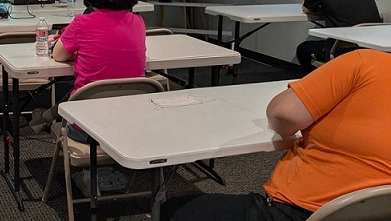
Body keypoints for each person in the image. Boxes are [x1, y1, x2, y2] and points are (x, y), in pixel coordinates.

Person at [161, 49, 391, 221]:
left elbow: (284, 115)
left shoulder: (365, 63)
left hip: (301, 211)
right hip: (381, 213)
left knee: (173, 210)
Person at [29, 0, 146, 141]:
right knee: (96, 86)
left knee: (85, 89)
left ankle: (48, 119)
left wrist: (81, 51)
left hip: (88, 127)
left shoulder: (82, 23)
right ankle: (47, 116)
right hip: (131, 122)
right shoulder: (138, 22)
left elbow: (58, 55)